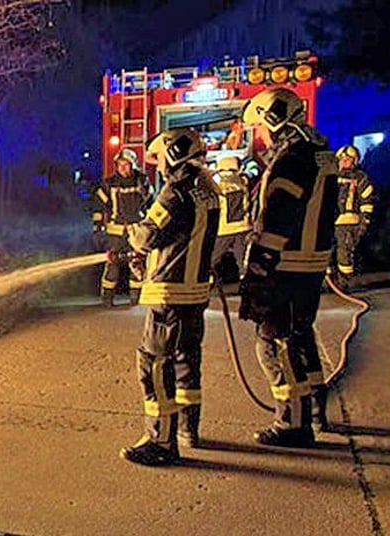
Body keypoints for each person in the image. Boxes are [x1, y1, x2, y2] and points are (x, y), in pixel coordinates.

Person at [239, 87, 339, 445]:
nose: (261, 136)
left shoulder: (292, 159)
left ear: (272, 118)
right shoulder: (320, 152)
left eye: (260, 127)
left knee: (274, 341)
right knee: (299, 335)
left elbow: (278, 218)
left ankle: (292, 423)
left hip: (287, 264)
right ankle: (314, 410)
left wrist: (259, 266)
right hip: (310, 263)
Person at [118, 129, 220, 466]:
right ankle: (188, 429)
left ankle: (160, 442)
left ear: (174, 155)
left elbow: (148, 236)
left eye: (161, 158)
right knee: (187, 361)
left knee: (155, 363)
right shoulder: (208, 190)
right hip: (195, 292)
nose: (159, 165)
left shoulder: (175, 192)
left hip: (169, 293)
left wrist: (132, 233)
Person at [92, 148, 153, 306]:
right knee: (113, 264)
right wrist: (97, 226)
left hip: (137, 230)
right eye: (120, 165)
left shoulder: (142, 181)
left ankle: (135, 298)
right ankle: (107, 298)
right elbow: (98, 205)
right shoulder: (109, 184)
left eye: (126, 165)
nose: (123, 168)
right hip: (116, 232)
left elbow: (151, 204)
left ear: (133, 165)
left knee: (137, 263)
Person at [332, 145, 375, 290]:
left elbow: (367, 200)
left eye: (348, 159)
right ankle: (329, 282)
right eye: (342, 159)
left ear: (355, 161)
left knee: (344, 255)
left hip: (349, 224)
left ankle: (343, 283)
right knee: (327, 253)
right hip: (331, 222)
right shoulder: (332, 177)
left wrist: (365, 221)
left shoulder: (360, 178)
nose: (344, 161)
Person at [211, 156, 252, 283]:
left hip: (223, 230)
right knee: (242, 260)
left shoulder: (217, 186)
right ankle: (244, 282)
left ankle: (208, 281)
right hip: (243, 227)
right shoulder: (243, 182)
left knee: (211, 259)